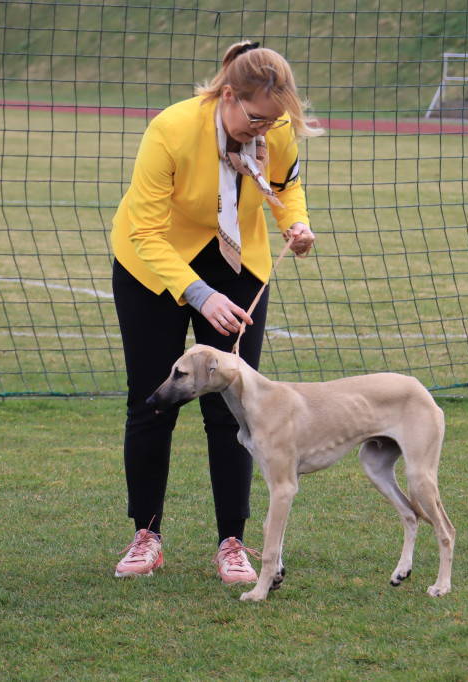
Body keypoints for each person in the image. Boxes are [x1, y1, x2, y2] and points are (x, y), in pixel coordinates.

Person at [110, 40, 323, 584]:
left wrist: (294, 226)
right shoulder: (171, 131)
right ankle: (147, 534)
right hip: (155, 266)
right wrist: (199, 293)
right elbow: (146, 231)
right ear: (227, 95)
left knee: (235, 411)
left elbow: (285, 185)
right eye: (255, 118)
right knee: (154, 399)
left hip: (239, 263)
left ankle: (233, 541)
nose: (265, 130)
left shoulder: (273, 127)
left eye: (274, 121)